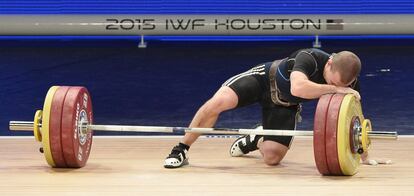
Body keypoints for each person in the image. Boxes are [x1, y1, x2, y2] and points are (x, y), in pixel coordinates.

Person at [163, 48, 362, 168]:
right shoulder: (309, 57)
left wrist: (361, 152)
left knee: (272, 159)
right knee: (216, 103)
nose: (338, 86)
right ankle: (181, 150)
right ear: (329, 63)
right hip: (262, 80)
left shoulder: (348, 83)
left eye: (343, 85)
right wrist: (334, 88)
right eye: (332, 80)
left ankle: (257, 138)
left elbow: (355, 118)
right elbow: (298, 87)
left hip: (285, 104)